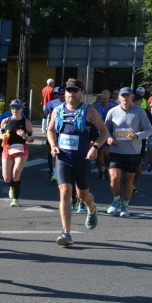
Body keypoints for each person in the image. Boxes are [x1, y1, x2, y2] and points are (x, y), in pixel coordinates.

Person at [46, 78, 109, 246]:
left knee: (83, 195)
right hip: (63, 158)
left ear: (81, 92)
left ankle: (91, 208)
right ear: (64, 92)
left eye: (75, 90)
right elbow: (51, 130)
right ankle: (66, 233)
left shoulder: (89, 111)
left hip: (82, 159)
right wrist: (53, 145)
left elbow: (104, 132)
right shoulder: (57, 110)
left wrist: (95, 147)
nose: (71, 93)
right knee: (65, 192)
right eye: (68, 90)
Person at [104, 87, 152, 218]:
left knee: (128, 180)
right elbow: (105, 129)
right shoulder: (112, 112)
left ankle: (125, 205)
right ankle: (115, 200)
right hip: (116, 149)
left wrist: (138, 135)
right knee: (114, 178)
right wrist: (108, 137)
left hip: (133, 151)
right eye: (123, 96)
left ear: (132, 97)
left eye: (128, 96)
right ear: (119, 98)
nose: (125, 98)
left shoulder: (140, 112)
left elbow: (149, 130)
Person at [0, 99, 33, 206]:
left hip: (21, 149)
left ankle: (15, 199)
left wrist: (25, 136)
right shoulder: (5, 121)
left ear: (21, 109)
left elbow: (32, 139)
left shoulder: (26, 122)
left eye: (17, 107)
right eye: (13, 107)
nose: (15, 110)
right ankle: (12, 186)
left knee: (15, 174)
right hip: (7, 149)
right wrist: (2, 136)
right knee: (6, 178)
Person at [92, 89, 117, 179]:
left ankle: (106, 168)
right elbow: (90, 119)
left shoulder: (114, 106)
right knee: (99, 154)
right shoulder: (95, 106)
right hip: (98, 132)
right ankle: (100, 170)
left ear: (109, 98)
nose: (103, 100)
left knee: (107, 154)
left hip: (109, 132)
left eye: (105, 99)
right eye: (102, 98)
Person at [43, 86, 65, 182]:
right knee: (53, 151)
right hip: (54, 131)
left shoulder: (71, 104)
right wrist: (45, 112)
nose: (60, 96)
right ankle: (54, 172)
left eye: (62, 93)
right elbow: (44, 115)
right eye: (58, 94)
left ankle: (62, 171)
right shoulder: (51, 103)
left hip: (65, 131)